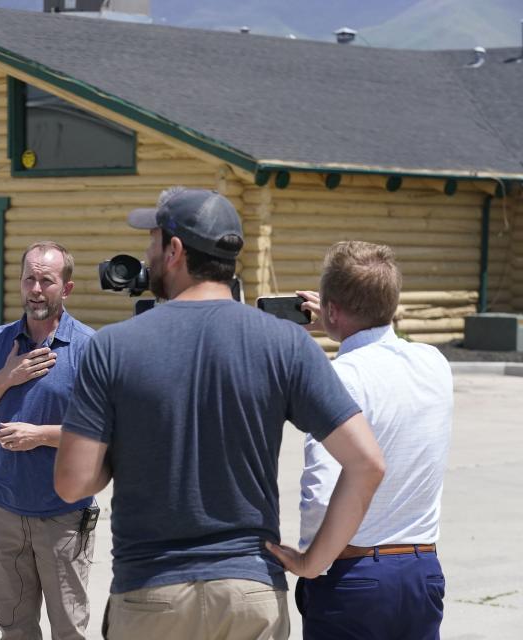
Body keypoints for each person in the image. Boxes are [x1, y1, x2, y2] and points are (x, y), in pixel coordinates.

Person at [54, 187, 386, 640]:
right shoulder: (287, 344)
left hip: (152, 593)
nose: (145, 253)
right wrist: (314, 561)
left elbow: (73, 482)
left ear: (174, 250)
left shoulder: (112, 346)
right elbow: (367, 462)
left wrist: (124, 451)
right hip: (250, 591)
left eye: (152, 240)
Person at [291, 241, 452, 639]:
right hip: (421, 569)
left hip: (354, 574)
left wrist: (311, 563)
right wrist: (337, 320)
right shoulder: (434, 363)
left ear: (330, 309)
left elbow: (322, 491)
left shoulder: (340, 378)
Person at [0, 241, 97, 640]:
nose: (35, 289)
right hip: (5, 515)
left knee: (69, 632)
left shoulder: (89, 348)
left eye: (46, 280)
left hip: (64, 518)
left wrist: (42, 436)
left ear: (65, 289)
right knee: (14, 631)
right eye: (29, 278)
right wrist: (6, 378)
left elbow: (107, 437)